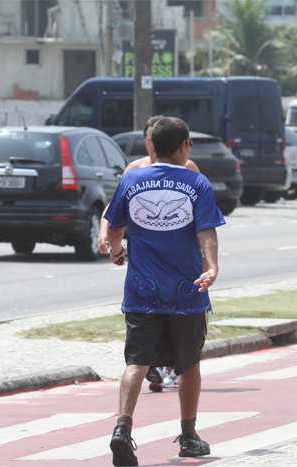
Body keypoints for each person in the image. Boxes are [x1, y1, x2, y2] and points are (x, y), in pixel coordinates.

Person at [104, 116, 225, 466]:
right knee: (189, 365)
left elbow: (114, 228)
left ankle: (122, 428)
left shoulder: (131, 179)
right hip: (188, 291)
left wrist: (116, 253)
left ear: (152, 145)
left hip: (141, 291)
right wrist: (212, 267)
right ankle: (188, 437)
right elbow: (207, 232)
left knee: (136, 361)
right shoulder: (198, 183)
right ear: (185, 146)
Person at [97, 115, 200, 392]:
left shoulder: (189, 171)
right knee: (148, 341)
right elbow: (115, 208)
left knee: (166, 341)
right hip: (147, 275)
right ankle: (184, 426)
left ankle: (130, 417)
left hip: (180, 272)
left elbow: (200, 217)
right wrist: (104, 233)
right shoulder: (134, 171)